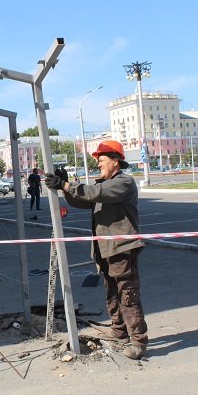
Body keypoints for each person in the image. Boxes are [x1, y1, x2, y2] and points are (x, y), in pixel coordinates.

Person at [44, 139, 148, 360]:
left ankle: (138, 342)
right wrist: (65, 185)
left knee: (127, 295)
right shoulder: (104, 185)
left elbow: (94, 192)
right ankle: (119, 331)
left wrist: (65, 185)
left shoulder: (123, 183)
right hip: (105, 249)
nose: (98, 165)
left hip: (121, 248)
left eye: (101, 160)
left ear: (116, 162)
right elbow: (81, 200)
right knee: (111, 293)